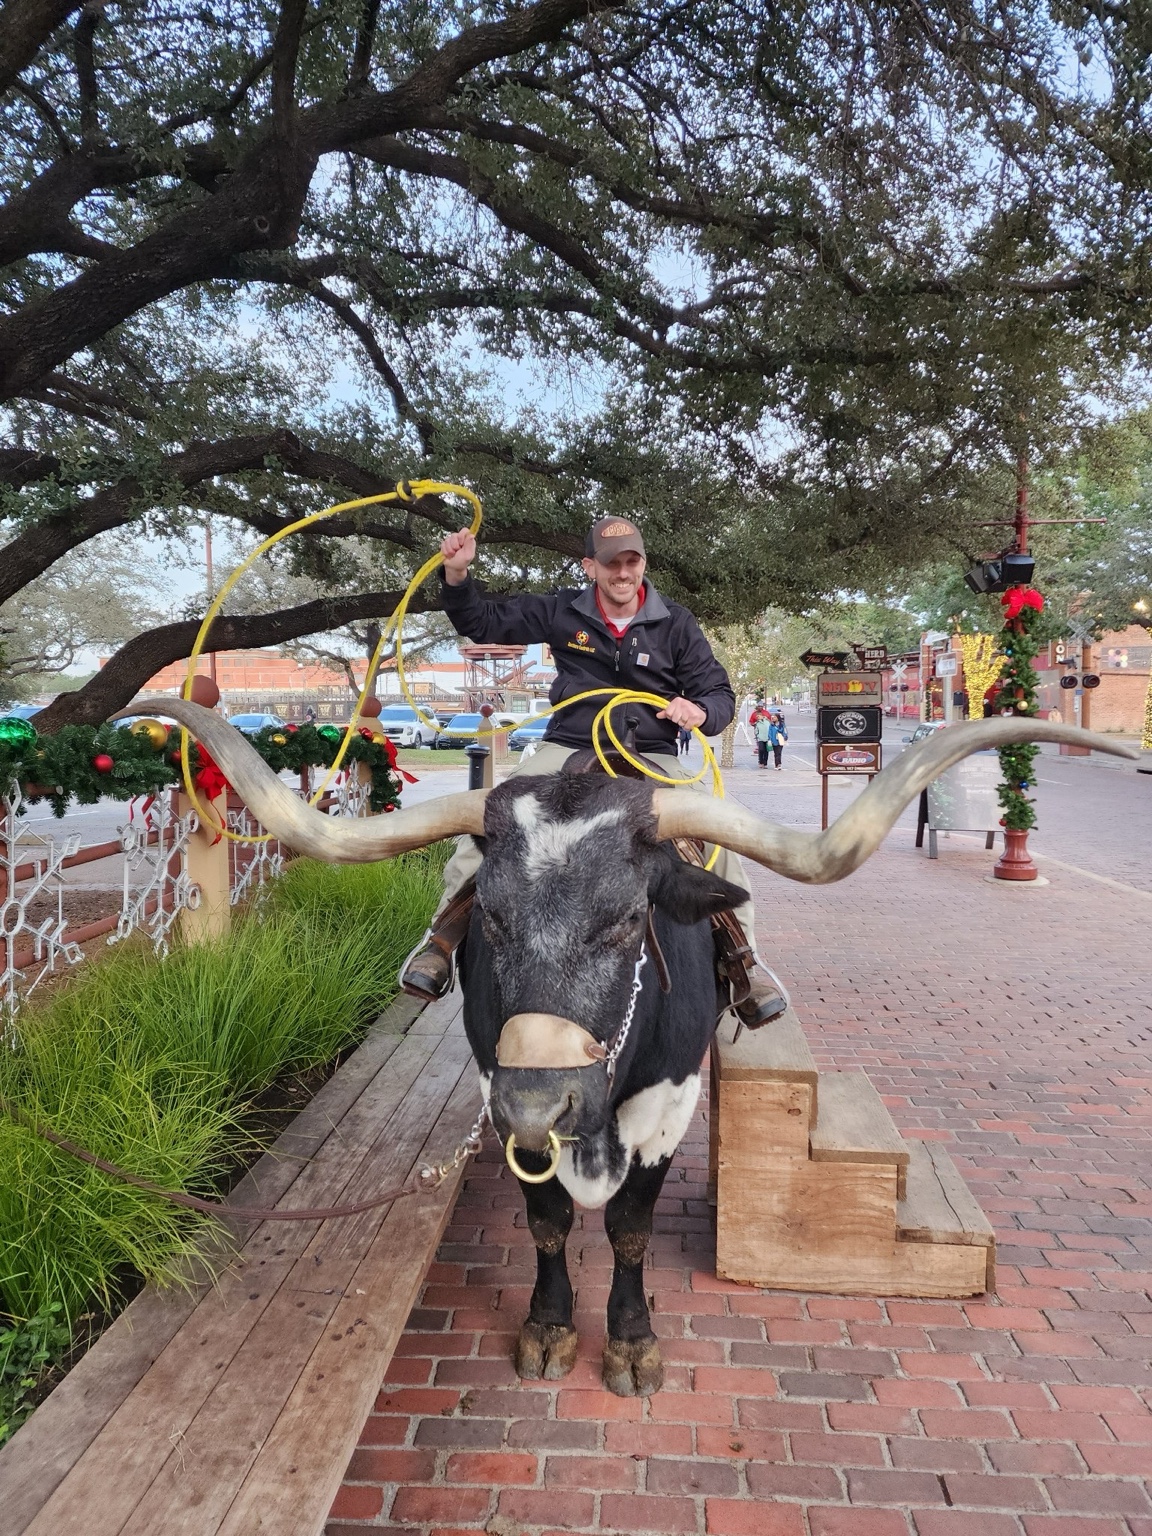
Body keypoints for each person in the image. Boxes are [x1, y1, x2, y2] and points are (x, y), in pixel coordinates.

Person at [399, 515, 787, 1028]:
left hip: (653, 751)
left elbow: (719, 695)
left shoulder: (675, 621)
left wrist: (699, 712)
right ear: (591, 567)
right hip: (572, 743)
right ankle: (443, 938)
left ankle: (743, 961)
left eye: (632, 561)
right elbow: (484, 622)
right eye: (611, 563)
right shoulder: (564, 609)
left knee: (715, 831)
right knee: (495, 815)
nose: (623, 572)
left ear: (643, 563)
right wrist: (457, 576)